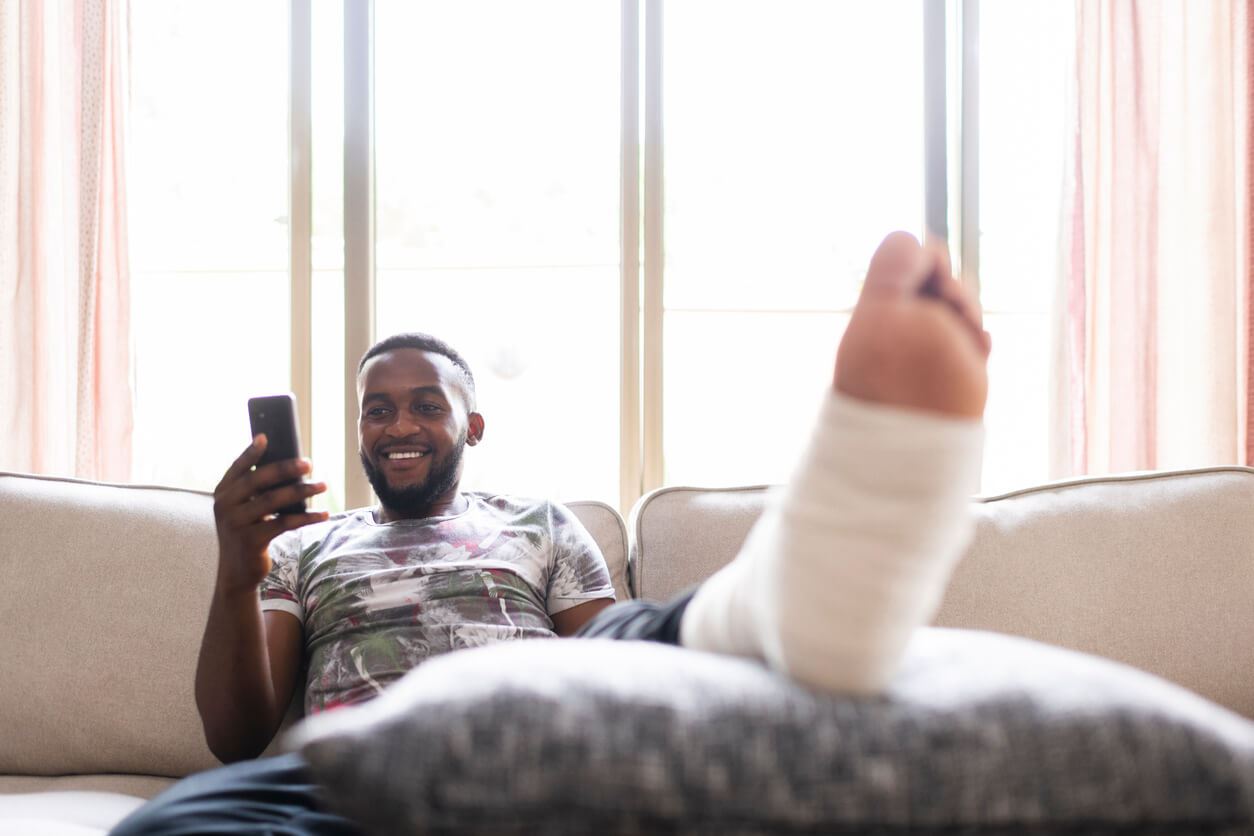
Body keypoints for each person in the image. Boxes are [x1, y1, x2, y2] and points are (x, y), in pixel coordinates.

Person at [112, 231, 989, 835]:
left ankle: (796, 594)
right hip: (357, 774)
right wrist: (236, 567)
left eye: (426, 406)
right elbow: (234, 735)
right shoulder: (303, 548)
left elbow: (625, 675)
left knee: (629, 640)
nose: (399, 426)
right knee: (171, 823)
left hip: (524, 751)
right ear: (357, 431)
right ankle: (802, 593)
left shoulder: (537, 523)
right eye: (377, 411)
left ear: (474, 427)